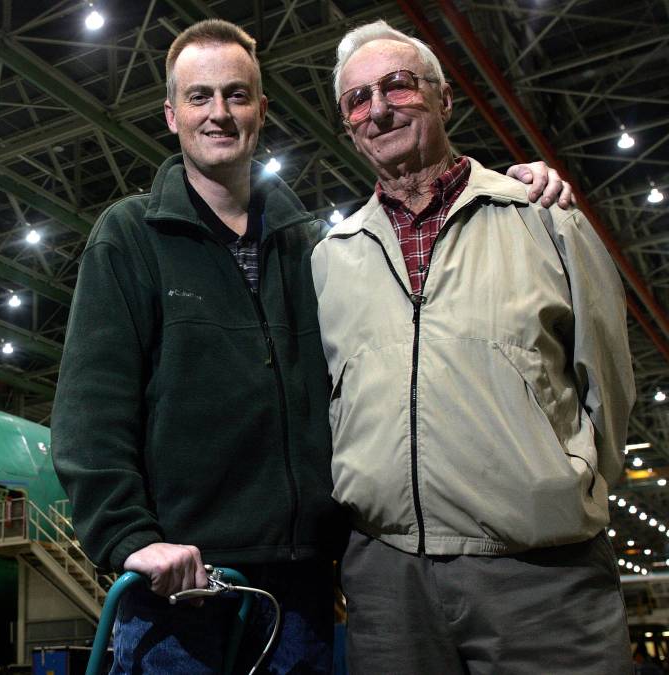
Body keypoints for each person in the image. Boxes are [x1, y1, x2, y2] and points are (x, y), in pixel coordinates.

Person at [52, 18, 572, 674]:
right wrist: (130, 538)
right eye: (200, 96)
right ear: (171, 114)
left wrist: (513, 188)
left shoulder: (319, 249)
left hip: (299, 588)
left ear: (262, 110)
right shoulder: (128, 238)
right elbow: (90, 411)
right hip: (180, 585)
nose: (220, 113)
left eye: (237, 96)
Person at [311, 19, 634, 674]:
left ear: (443, 97)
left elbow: (609, 383)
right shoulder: (329, 258)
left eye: (397, 86)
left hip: (541, 576)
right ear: (348, 124)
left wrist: (562, 490)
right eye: (357, 99)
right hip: (387, 583)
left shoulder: (545, 218)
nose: (378, 108)